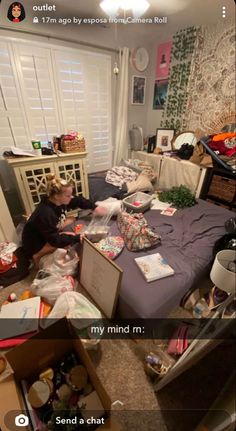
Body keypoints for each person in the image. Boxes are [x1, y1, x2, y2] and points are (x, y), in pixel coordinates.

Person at [22, 174, 104, 266]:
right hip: (34, 242)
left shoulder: (57, 200)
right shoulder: (46, 213)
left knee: (72, 219)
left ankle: (57, 236)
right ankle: (38, 255)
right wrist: (75, 238)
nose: (71, 197)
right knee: (66, 243)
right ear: (57, 196)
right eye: (68, 195)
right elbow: (55, 241)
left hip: (46, 231)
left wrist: (94, 207)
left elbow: (78, 200)